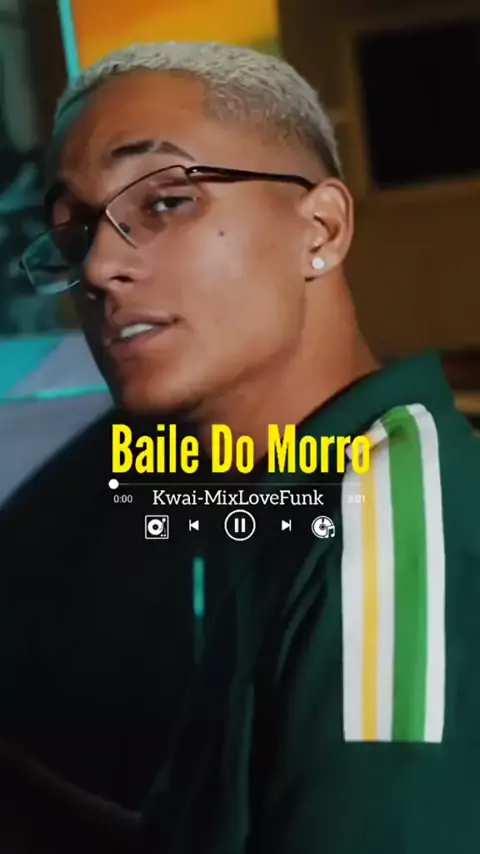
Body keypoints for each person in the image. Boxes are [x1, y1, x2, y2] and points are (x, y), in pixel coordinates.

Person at [5, 40, 480, 853]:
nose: (102, 266)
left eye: (165, 201)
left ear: (321, 228)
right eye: (76, 231)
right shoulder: (281, 503)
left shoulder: (387, 539)